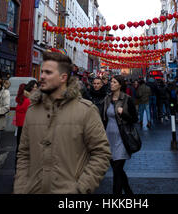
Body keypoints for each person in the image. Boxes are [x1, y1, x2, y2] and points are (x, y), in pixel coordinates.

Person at [14, 51, 111, 194]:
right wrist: (21, 187)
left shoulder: (86, 110)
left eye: (48, 72)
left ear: (63, 77)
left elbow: (101, 154)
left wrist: (81, 188)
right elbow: (24, 154)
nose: (42, 77)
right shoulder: (32, 110)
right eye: (42, 72)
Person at [102, 75, 138, 195]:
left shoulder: (127, 99)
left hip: (122, 138)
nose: (111, 84)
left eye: (114, 82)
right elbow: (104, 118)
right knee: (118, 170)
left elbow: (134, 119)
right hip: (109, 138)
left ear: (120, 85)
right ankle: (128, 191)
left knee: (117, 170)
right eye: (111, 82)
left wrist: (124, 114)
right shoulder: (107, 98)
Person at [14, 83, 31, 162]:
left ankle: (17, 162)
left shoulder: (19, 100)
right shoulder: (27, 100)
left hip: (19, 124)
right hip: (26, 125)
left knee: (19, 146)